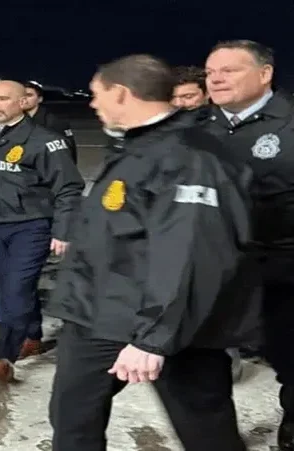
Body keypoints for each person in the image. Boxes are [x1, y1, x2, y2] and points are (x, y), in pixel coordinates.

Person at [45, 54, 258, 451]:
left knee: (204, 428)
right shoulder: (138, 147)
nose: (92, 104)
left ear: (121, 93)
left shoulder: (190, 157)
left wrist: (153, 340)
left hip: (172, 324)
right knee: (72, 419)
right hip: (98, 315)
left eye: (96, 94)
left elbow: (192, 252)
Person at [201, 39, 294, 449]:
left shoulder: (290, 122)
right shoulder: (195, 129)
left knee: (289, 354)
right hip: (214, 268)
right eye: (210, 72)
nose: (216, 79)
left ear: (265, 73)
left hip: (281, 269)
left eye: (229, 70)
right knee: (205, 361)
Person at [0, 80, 84, 381]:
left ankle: (4, 356)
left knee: (16, 289)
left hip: (31, 225)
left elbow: (69, 187)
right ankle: (32, 335)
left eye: (3, 99)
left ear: (23, 102)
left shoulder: (45, 141)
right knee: (6, 286)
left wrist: (63, 230)